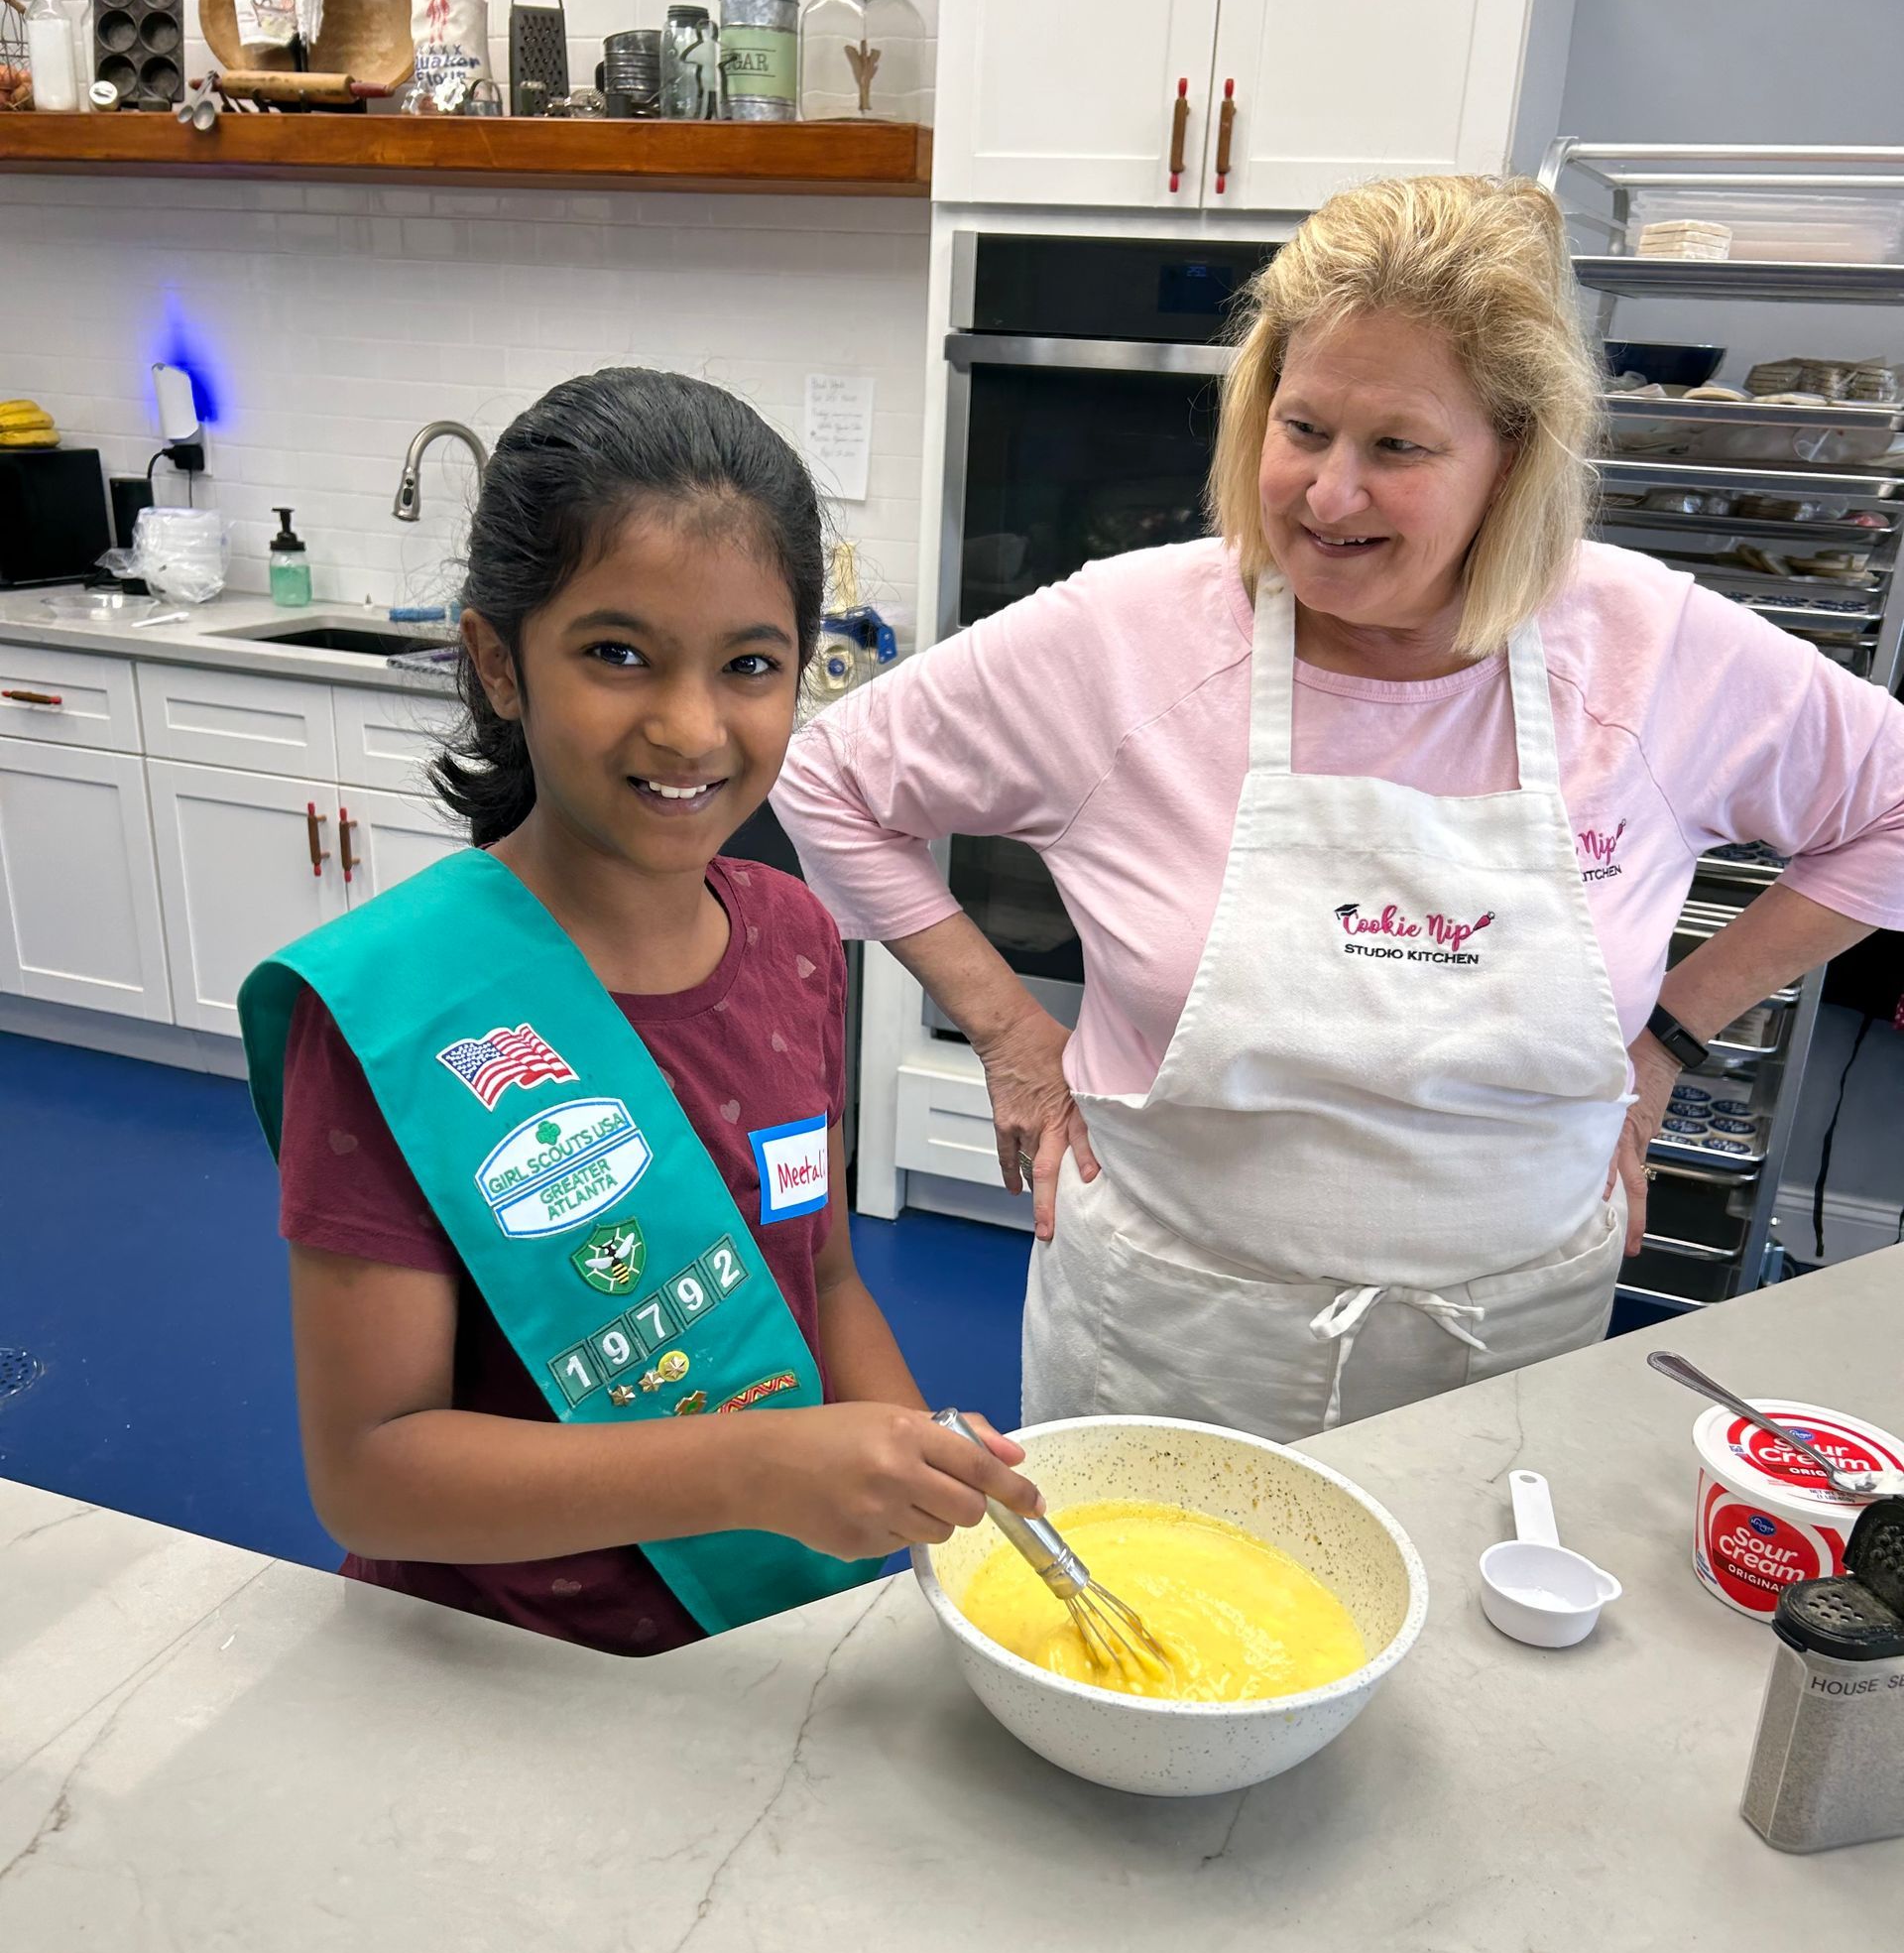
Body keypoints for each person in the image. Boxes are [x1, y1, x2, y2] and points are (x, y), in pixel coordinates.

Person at [774, 176, 1904, 1442]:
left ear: (1512, 461)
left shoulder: (1647, 649)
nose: (1327, 495)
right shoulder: (1129, 636)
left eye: (1398, 449)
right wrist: (1012, 1039)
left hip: (1509, 1344)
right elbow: (830, 777)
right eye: (1301, 429)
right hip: (1172, 1336)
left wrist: (1668, 1047)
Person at [240, 368, 1036, 1655]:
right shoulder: (397, 1014)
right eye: (618, 655)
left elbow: (822, 1275)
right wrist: (751, 1468)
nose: (690, 726)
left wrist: (926, 1481)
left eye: (750, 665)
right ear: (500, 661)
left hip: (763, 1642)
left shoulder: (792, 939)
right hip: (501, 1666)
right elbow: (371, 1468)